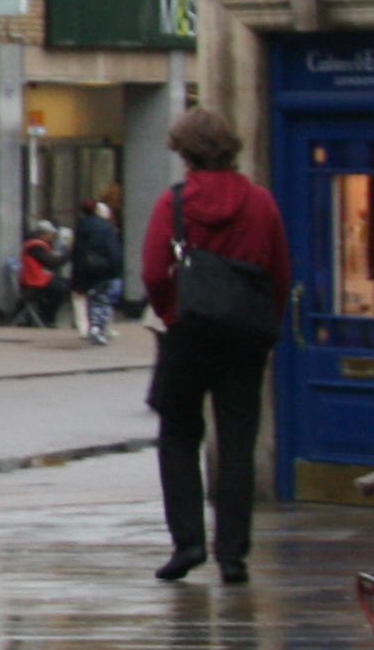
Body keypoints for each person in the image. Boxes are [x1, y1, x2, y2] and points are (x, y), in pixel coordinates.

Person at [140, 106, 294, 585]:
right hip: (244, 334)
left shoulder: (175, 203)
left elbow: (150, 270)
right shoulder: (260, 202)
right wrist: (269, 326)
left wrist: (170, 312)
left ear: (185, 153)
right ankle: (233, 556)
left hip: (188, 331)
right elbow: (279, 273)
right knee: (237, 441)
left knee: (179, 435)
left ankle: (188, 543)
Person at [69, 189, 127, 345]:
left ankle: (85, 327)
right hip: (101, 268)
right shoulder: (105, 228)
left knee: (81, 298)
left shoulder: (80, 226)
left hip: (82, 268)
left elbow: (75, 249)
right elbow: (113, 250)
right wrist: (116, 269)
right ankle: (98, 327)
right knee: (101, 298)